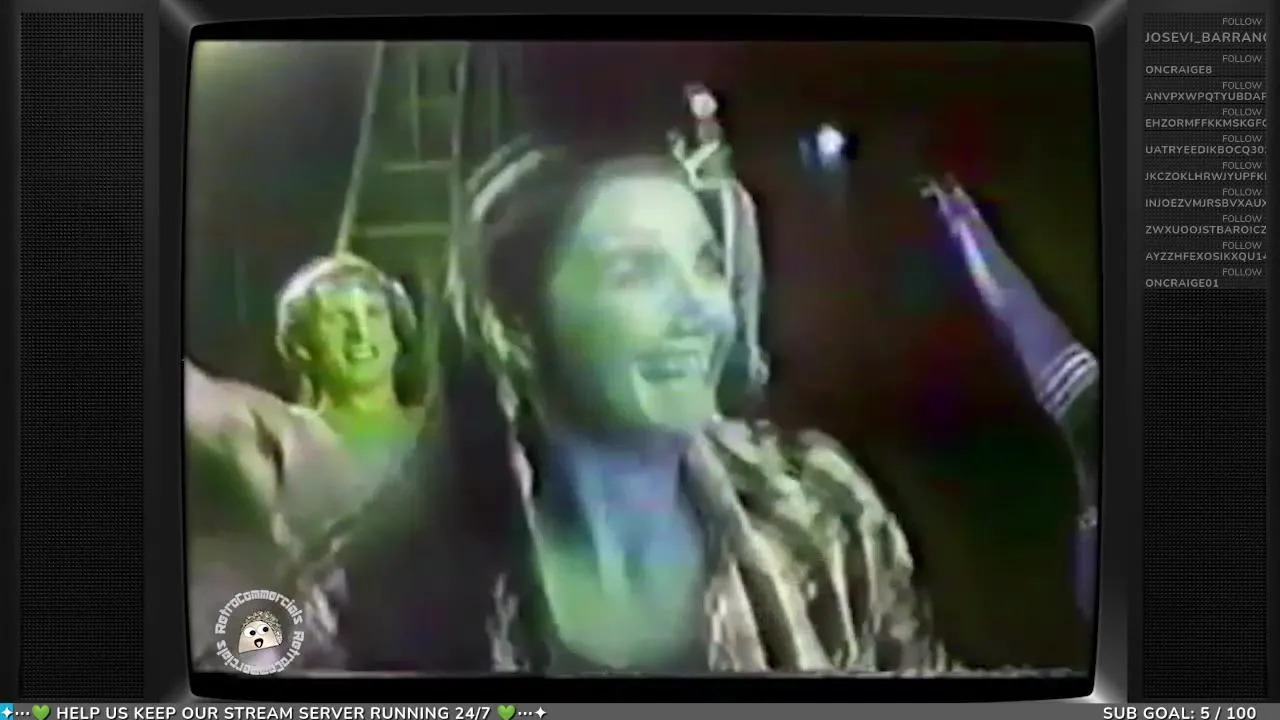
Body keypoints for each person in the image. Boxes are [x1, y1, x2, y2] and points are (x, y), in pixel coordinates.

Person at [445, 116, 985, 672]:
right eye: (636, 273)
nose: (705, 311)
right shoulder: (428, 588)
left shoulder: (816, 506)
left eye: (706, 266)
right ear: (513, 329)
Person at [186, 252, 437, 671]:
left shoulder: (449, 431)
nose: (360, 331)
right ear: (302, 345)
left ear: (398, 334)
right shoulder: (275, 428)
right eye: (337, 318)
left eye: (374, 314)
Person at [924, 177, 1099, 617]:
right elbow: (1015, 306)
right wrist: (963, 220)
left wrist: (963, 220)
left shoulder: (1087, 402)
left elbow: (1015, 306)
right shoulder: (1087, 401)